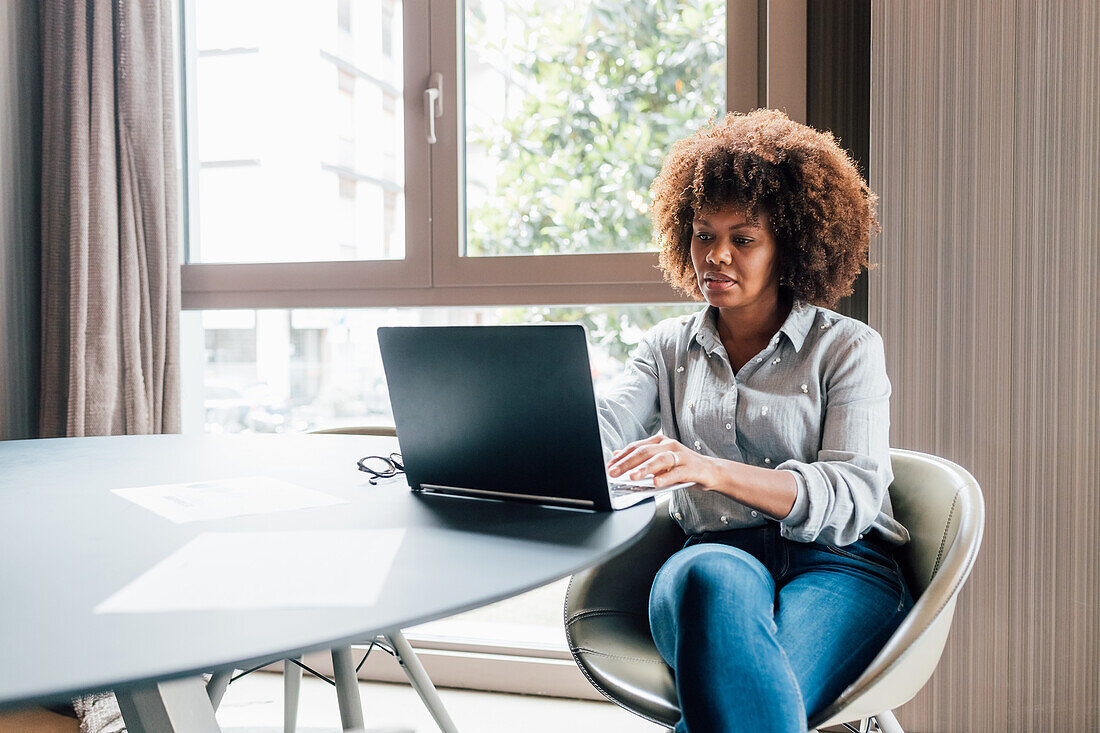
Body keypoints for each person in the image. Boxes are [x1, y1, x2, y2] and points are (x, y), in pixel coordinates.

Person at [599, 108, 913, 733]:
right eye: (703, 235)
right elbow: (605, 426)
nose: (716, 257)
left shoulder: (847, 346)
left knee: (749, 709)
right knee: (713, 580)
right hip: (712, 557)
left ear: (787, 244)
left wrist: (710, 471)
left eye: (743, 239)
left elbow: (851, 493)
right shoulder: (666, 347)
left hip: (837, 562)